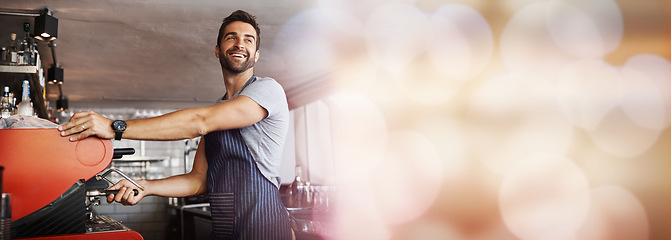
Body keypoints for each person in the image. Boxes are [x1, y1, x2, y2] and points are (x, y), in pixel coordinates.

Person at [58, 10, 293, 240]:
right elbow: (198, 180)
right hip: (225, 232)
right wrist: (146, 186)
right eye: (231, 37)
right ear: (217, 50)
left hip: (266, 229)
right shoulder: (217, 110)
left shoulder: (267, 90)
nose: (240, 44)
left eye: (248, 40)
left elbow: (199, 122)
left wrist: (115, 127)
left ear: (257, 54)